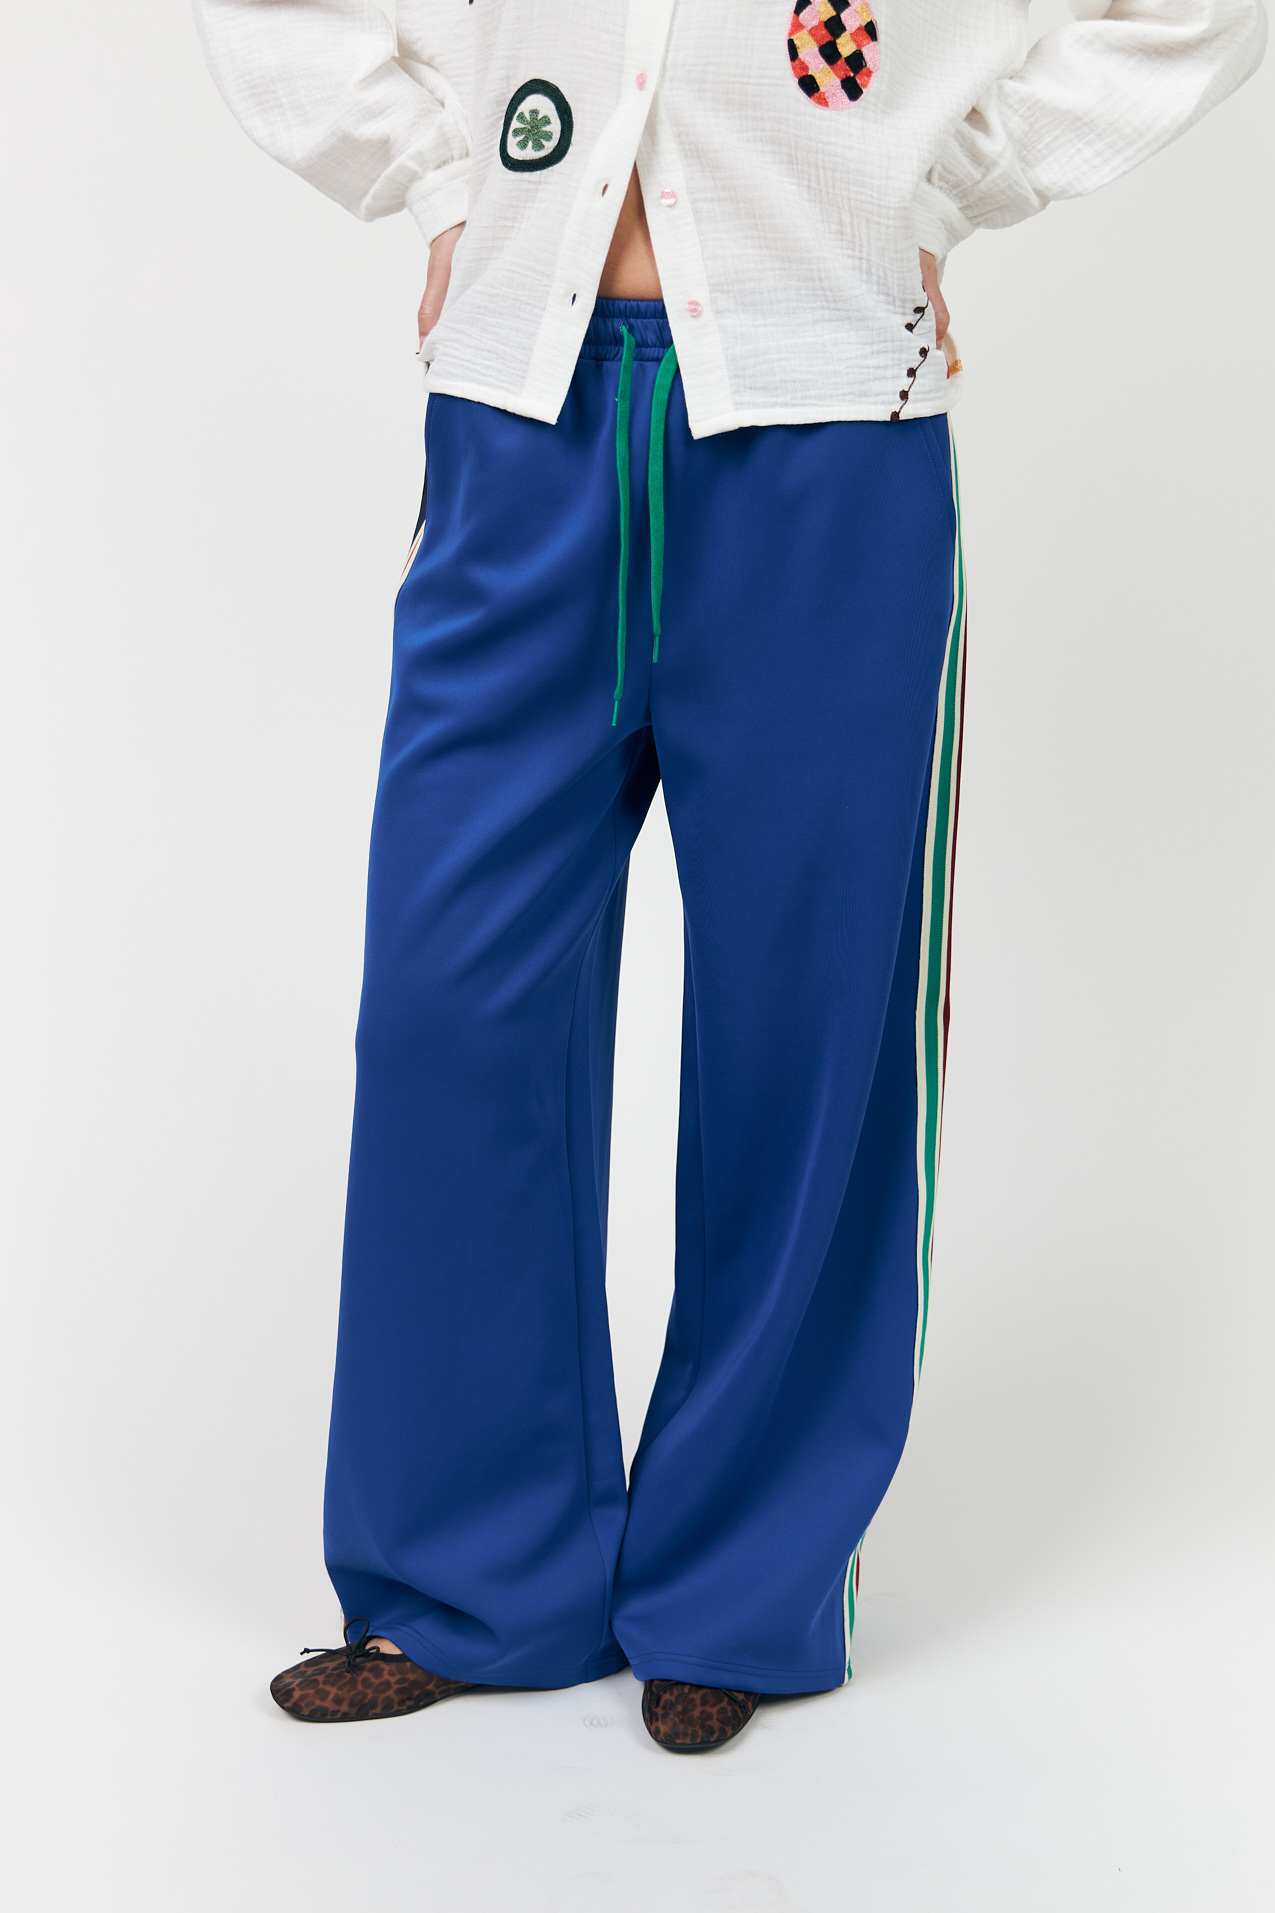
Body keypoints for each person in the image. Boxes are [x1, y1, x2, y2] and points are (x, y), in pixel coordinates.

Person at [191, 0, 1265, 1753]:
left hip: (828, 424)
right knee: (452, 1012)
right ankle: (469, 1576)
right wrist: (445, 182)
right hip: (520, 418)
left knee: (808, 1020)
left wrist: (938, 187)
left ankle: (739, 1585)